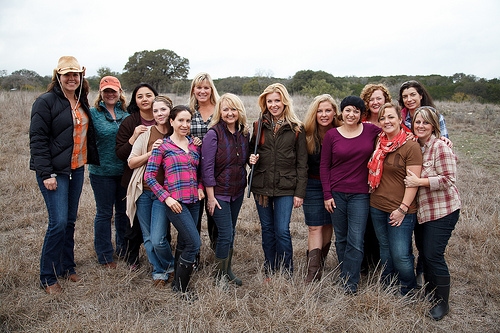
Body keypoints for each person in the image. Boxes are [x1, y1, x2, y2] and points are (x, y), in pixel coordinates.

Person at [29, 56, 99, 294]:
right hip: (54, 172)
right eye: (66, 74)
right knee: (57, 223)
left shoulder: (81, 101)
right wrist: (45, 172)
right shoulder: (45, 101)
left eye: (75, 74)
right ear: (57, 76)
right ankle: (47, 276)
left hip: (76, 169)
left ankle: (67, 266)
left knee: (70, 221)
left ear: (81, 77)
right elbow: (37, 140)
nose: (71, 79)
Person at [320, 95, 381, 294]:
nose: (351, 114)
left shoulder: (371, 131)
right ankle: (346, 274)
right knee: (342, 238)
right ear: (342, 112)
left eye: (356, 111)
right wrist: (327, 194)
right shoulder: (332, 135)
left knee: (356, 238)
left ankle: (350, 282)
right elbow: (324, 166)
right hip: (336, 194)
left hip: (360, 195)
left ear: (362, 115)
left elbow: (395, 131)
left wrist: (440, 138)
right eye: (348, 110)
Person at [404, 106, 461, 320]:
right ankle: (430, 291)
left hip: (442, 210)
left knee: (433, 255)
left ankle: (442, 302)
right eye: (417, 122)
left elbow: (448, 179)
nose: (420, 126)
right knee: (424, 252)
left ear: (434, 126)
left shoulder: (440, 147)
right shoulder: (414, 146)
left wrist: (420, 182)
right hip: (422, 212)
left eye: (425, 123)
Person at [249, 83, 308, 279]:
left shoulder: (297, 128)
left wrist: (299, 192)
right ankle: (270, 267)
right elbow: (251, 152)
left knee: (282, 230)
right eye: (270, 101)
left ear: (285, 101)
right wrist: (251, 159)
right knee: (267, 229)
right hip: (262, 185)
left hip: (286, 186)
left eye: (277, 100)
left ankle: (286, 270)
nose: (274, 104)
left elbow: (302, 163)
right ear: (265, 103)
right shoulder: (259, 125)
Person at [144, 105, 204, 295]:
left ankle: (177, 281)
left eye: (188, 121)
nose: (185, 124)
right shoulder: (163, 146)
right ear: (172, 122)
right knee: (194, 244)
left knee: (185, 243)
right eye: (181, 120)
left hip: (194, 201)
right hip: (175, 203)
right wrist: (166, 198)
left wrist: (201, 188)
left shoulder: (195, 145)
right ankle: (181, 288)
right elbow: (150, 176)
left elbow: (200, 172)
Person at [367, 103, 422, 295]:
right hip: (376, 204)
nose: (386, 121)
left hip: (401, 209)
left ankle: (408, 286)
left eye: (391, 117)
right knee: (385, 249)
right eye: (382, 118)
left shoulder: (411, 145)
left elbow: (413, 182)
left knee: (400, 253)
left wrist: (402, 209)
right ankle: (388, 283)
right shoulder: (378, 142)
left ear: (400, 119)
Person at [398, 80, 450, 286]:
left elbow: (441, 145)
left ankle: (423, 272)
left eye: (413, 95)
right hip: (409, 182)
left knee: (428, 240)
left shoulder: (434, 119)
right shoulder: (402, 119)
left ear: (421, 95)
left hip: (428, 183)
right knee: (415, 233)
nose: (409, 99)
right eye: (405, 96)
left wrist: (421, 179)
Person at [201, 93, 250, 287]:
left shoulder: (244, 133)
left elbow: (241, 161)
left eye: (233, 109)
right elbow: (207, 169)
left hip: (236, 191)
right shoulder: (213, 134)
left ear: (239, 111)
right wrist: (211, 198)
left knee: (231, 232)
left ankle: (227, 270)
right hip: (219, 193)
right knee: (225, 233)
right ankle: (219, 275)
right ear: (220, 111)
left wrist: (251, 159)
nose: (230, 113)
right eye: (226, 109)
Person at [127, 96, 175, 287]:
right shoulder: (146, 134)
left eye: (163, 110)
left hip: (164, 193)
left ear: (170, 111)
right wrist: (151, 152)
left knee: (158, 239)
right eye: (155, 111)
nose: (159, 114)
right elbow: (131, 162)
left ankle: (171, 266)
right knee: (147, 239)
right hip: (144, 192)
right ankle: (159, 272)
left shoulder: (176, 132)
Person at [116, 83, 158, 270]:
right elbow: (120, 154)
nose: (145, 99)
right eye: (140, 96)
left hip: (160, 180)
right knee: (133, 223)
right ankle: (132, 257)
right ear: (135, 100)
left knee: (159, 222)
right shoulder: (130, 122)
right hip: (135, 179)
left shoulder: (165, 119)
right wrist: (133, 137)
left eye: (149, 95)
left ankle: (158, 256)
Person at [88, 76, 129, 269]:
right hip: (101, 172)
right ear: (101, 94)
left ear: (120, 92)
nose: (111, 94)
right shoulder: (92, 114)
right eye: (107, 91)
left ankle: (124, 248)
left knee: (123, 212)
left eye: (114, 91)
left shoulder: (127, 115)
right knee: (104, 213)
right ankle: (104, 254)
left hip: (124, 171)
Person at [302, 94, 342, 282]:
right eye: (320, 111)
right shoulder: (307, 133)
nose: (324, 114)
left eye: (328, 110)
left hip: (335, 185)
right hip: (312, 184)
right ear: (314, 113)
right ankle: (313, 273)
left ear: (335, 112)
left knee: (328, 225)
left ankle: (320, 260)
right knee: (314, 226)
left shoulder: (342, 131)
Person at [359, 83, 394, 273]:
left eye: (378, 98)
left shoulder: (391, 122)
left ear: (386, 100)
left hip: (387, 180)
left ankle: (382, 263)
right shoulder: (361, 122)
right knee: (365, 222)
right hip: (362, 177)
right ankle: (365, 262)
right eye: (371, 99)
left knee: (381, 223)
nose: (375, 102)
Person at [189, 72, 221, 254]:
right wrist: (190, 142)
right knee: (194, 216)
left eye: (206, 88)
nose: (202, 91)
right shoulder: (188, 112)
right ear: (193, 89)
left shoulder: (220, 110)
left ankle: (219, 255)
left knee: (215, 215)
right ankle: (193, 257)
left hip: (215, 171)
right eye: (199, 87)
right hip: (192, 171)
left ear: (211, 90)